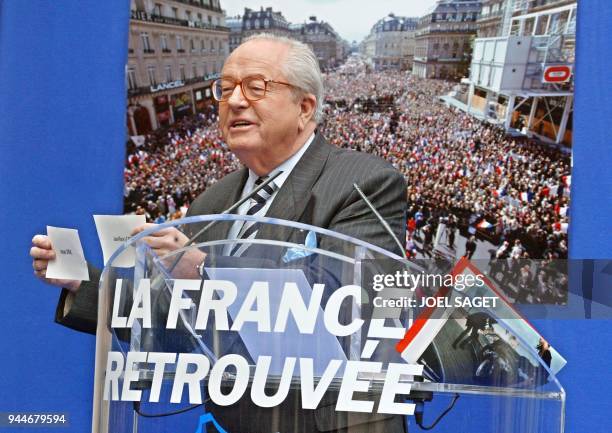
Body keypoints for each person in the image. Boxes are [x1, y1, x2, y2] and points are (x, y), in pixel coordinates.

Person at [30, 34, 407, 433]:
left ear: (305, 107)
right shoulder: (214, 201)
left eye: (256, 87)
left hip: (330, 421)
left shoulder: (365, 182)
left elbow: (355, 307)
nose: (235, 101)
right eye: (225, 89)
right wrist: (86, 284)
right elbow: (180, 326)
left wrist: (205, 268)